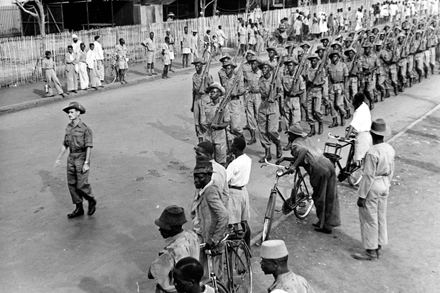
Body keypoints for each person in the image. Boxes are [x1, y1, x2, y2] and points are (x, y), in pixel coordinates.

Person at [277, 125, 341, 234]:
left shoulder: (295, 144)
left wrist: (293, 166)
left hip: (318, 168)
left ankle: (324, 226)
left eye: (289, 134)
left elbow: (303, 152)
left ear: (293, 135)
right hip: (327, 163)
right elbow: (306, 155)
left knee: (319, 197)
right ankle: (328, 222)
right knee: (330, 195)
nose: (288, 137)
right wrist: (285, 158)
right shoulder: (306, 139)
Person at [352, 118, 395, 261]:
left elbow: (368, 175)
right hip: (384, 183)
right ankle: (379, 246)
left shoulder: (372, 152)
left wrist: (362, 195)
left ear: (372, 134)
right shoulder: (389, 149)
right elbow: (392, 169)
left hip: (373, 185)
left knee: (369, 218)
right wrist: (387, 183)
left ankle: (370, 251)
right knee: (381, 216)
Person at [55, 102, 96, 218]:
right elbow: (65, 144)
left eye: (72, 112)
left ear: (78, 113)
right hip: (71, 158)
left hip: (81, 157)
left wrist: (86, 162)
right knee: (72, 184)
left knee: (81, 185)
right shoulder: (68, 128)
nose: (69, 114)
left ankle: (91, 200)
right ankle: (79, 208)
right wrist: (59, 158)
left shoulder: (85, 129)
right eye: (68, 112)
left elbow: (88, 146)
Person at [191, 161, 229, 278]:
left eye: (200, 177)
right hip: (204, 237)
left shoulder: (210, 191)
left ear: (208, 176)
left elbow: (224, 216)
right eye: (195, 177)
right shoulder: (203, 189)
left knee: (210, 277)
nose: (196, 180)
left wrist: (213, 239)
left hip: (210, 240)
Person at [148, 205, 199, 293]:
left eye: (163, 227)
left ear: (172, 229)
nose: (160, 230)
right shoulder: (192, 236)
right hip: (192, 287)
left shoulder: (170, 252)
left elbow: (151, 274)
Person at [193, 82, 230, 165]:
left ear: (219, 93)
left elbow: (226, 123)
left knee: (221, 162)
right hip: (209, 137)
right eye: (210, 92)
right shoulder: (207, 106)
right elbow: (203, 121)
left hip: (220, 138)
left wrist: (217, 126)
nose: (211, 94)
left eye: (214, 92)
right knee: (209, 161)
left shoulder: (223, 107)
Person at [226, 137, 252, 247]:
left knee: (233, 221)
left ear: (235, 148)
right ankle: (247, 245)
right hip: (243, 191)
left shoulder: (234, 164)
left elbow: (225, 179)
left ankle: (234, 246)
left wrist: (227, 164)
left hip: (234, 192)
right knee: (244, 221)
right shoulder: (248, 159)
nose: (230, 147)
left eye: (232, 146)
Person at [258, 61, 283, 163]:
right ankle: (267, 152)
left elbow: (280, 92)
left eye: (265, 68)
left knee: (272, 130)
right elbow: (261, 92)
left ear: (269, 69)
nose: (263, 70)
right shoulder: (261, 80)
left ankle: (278, 143)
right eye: (262, 68)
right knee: (262, 131)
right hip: (263, 106)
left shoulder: (276, 79)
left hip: (273, 106)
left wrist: (274, 96)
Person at [345, 92, 373, 165]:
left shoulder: (359, 111)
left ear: (357, 101)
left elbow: (353, 125)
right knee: (365, 158)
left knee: (359, 160)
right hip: (367, 135)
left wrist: (347, 136)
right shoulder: (364, 106)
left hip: (362, 138)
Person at [327, 50, 349, 128]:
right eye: (332, 56)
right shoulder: (329, 66)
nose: (334, 58)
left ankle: (343, 116)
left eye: (335, 56)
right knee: (332, 104)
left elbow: (346, 76)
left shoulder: (343, 65)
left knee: (339, 103)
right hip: (332, 86)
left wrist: (345, 87)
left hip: (340, 85)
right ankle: (335, 121)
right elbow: (327, 77)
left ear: (338, 57)